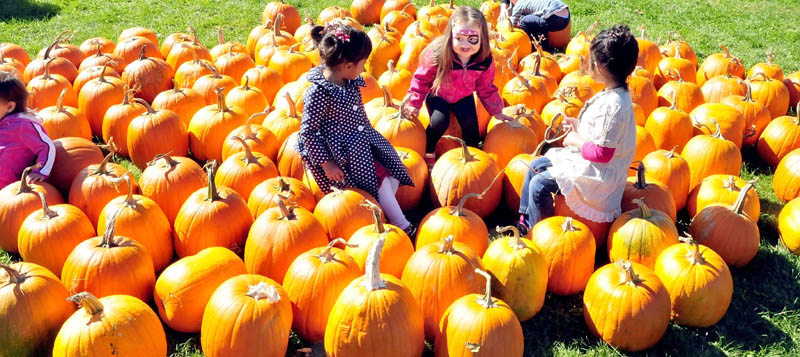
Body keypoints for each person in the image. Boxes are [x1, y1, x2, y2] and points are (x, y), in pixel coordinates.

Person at [296, 23, 418, 237]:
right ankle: (402, 224)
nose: (364, 69)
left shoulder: (347, 80)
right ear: (348, 66)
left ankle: (384, 210)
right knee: (376, 186)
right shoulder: (319, 92)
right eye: (363, 64)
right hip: (342, 157)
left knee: (393, 173)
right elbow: (308, 132)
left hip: (361, 143)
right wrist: (327, 164)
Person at [517, 25, 638, 233]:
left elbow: (602, 153)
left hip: (597, 178)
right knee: (536, 165)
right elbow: (602, 134)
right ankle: (526, 219)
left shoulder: (614, 106)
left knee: (540, 185)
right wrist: (578, 126)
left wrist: (574, 139)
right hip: (588, 163)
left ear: (599, 67)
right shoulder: (614, 93)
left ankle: (539, 232)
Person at [404, 6, 512, 169]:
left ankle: (473, 157)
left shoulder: (483, 60)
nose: (465, 44)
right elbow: (421, 80)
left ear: (481, 37)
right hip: (438, 93)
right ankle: (429, 149)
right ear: (450, 35)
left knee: (471, 126)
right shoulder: (438, 55)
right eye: (459, 38)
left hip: (463, 96)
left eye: (472, 39)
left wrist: (496, 110)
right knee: (439, 122)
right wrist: (413, 104)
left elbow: (486, 87)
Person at [0, 71, 55, 190]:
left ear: (9, 107)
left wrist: (40, 171)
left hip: (8, 187)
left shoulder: (23, 127)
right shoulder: (2, 118)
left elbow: (47, 147)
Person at [499, 0, 571, 51]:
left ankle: (534, 46)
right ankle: (544, 44)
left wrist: (501, 33)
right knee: (534, 21)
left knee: (523, 22)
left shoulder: (519, 4)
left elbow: (512, 24)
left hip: (553, 17)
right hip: (566, 18)